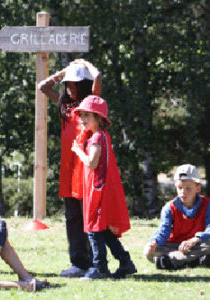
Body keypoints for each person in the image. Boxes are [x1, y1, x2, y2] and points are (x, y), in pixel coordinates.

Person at [38, 59, 102, 277]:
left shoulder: (91, 107)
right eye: (68, 84)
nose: (71, 88)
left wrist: (86, 66)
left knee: (90, 217)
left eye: (76, 84)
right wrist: (65, 72)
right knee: (72, 217)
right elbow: (43, 87)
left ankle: (96, 263)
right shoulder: (65, 107)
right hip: (69, 171)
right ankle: (78, 262)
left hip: (88, 169)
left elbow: (99, 78)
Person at [71, 95, 137, 280]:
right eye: (81, 115)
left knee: (93, 229)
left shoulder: (97, 138)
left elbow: (92, 163)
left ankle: (100, 268)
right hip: (102, 188)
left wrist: (78, 151)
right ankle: (126, 262)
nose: (82, 119)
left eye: (87, 116)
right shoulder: (103, 136)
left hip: (98, 190)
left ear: (99, 119)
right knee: (103, 230)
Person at [144, 164, 210, 270]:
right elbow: (163, 230)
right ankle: (194, 260)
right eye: (180, 188)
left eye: (188, 188)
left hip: (197, 243)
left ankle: (174, 260)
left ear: (198, 187)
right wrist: (154, 242)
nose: (183, 192)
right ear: (175, 186)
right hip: (175, 245)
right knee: (150, 252)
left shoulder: (207, 204)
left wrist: (195, 239)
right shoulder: (169, 207)